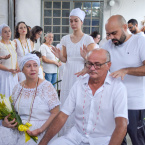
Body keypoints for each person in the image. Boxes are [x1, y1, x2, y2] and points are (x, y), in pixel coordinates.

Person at [38, 49, 128, 145]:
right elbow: (62, 116)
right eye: (89, 64)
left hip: (103, 140)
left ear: (108, 65)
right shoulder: (79, 84)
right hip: (76, 137)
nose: (92, 68)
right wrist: (43, 142)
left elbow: (121, 125)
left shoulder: (118, 88)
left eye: (97, 64)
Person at [52, 8, 95, 135]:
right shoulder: (65, 39)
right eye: (71, 21)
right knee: (67, 100)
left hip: (82, 72)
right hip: (69, 72)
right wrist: (60, 56)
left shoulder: (88, 39)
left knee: (81, 100)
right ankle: (66, 133)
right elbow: (65, 59)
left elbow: (93, 60)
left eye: (76, 21)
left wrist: (85, 57)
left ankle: (81, 132)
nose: (73, 23)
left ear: (82, 22)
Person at [0, 53, 60, 145]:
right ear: (22, 69)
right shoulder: (17, 88)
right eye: (28, 66)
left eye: (35, 65)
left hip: (41, 129)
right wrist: (6, 123)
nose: (32, 69)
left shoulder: (47, 87)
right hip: (19, 127)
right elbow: (13, 112)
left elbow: (55, 112)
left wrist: (41, 129)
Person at [104, 15, 145, 145]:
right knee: (116, 140)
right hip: (115, 104)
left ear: (125, 27)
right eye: (108, 34)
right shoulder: (107, 45)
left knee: (138, 140)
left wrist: (126, 70)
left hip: (135, 104)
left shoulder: (140, 41)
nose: (111, 37)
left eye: (114, 33)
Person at [0, 23, 18, 98]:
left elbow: (15, 58)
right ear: (1, 34)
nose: (8, 33)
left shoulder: (13, 44)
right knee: (5, 95)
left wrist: (16, 68)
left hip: (13, 73)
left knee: (14, 95)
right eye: (5, 32)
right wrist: (8, 69)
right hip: (4, 74)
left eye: (9, 31)